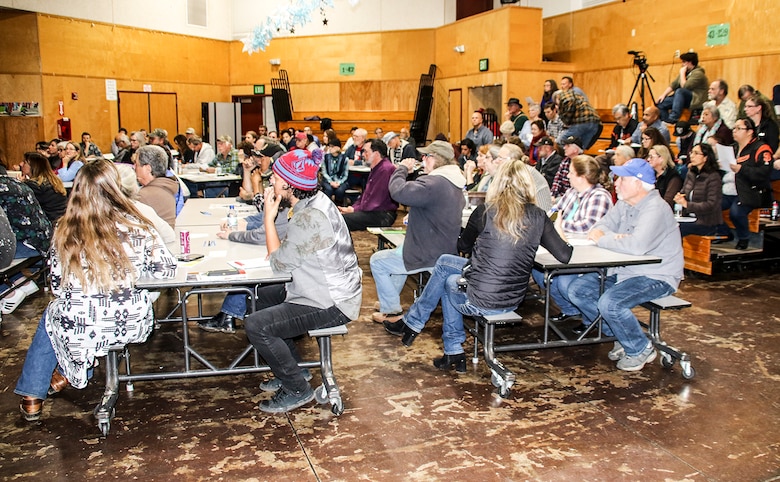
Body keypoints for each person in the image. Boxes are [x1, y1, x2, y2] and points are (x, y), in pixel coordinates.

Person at [14, 160, 177, 421]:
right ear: (115, 187)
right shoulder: (138, 225)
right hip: (129, 319)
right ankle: (65, 375)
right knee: (69, 313)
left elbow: (57, 285)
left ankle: (33, 395)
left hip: (81, 323)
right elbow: (165, 272)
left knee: (54, 313)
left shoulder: (64, 230)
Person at [383, 158, 573, 371]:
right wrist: (560, 228)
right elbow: (564, 255)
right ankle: (424, 330)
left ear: (498, 183)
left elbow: (463, 244)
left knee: (450, 281)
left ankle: (445, 344)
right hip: (513, 299)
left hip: (480, 300)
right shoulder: (539, 216)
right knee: (445, 262)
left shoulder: (485, 211)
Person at [241, 148, 361, 413]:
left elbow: (278, 264)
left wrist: (268, 219)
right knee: (260, 298)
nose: (270, 180)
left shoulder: (308, 216)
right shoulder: (313, 201)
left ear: (288, 184)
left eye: (274, 177)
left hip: (331, 302)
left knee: (257, 325)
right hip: (324, 288)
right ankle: (293, 369)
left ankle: (297, 389)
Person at [564, 158, 684, 372]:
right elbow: (598, 227)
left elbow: (635, 246)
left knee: (610, 303)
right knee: (578, 291)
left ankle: (639, 348)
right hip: (624, 270)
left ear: (638, 183)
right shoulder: (624, 203)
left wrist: (605, 238)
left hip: (656, 275)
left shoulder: (655, 208)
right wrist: (615, 237)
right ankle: (625, 335)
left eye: (621, 179)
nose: (615, 183)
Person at [370, 140, 466, 324]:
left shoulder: (433, 182)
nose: (423, 159)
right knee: (398, 258)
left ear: (436, 159)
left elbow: (398, 192)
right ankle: (388, 302)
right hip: (443, 248)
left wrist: (401, 169)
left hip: (427, 252)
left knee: (378, 262)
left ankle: (391, 313)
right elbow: (434, 207)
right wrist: (415, 215)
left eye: (426, 156)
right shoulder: (454, 182)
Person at [531, 155, 613, 323]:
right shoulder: (571, 193)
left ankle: (590, 320)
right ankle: (570, 310)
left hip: (588, 254)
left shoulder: (599, 196)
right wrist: (552, 222)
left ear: (582, 177)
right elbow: (554, 213)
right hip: (568, 244)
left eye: (571, 173)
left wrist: (559, 224)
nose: (567, 176)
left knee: (564, 282)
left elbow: (588, 226)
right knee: (538, 272)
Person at [726, 117, 773, 250]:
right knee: (711, 205)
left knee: (736, 212)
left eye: (739, 128)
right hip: (730, 189)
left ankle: (744, 238)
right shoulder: (732, 148)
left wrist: (742, 169)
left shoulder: (761, 148)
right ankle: (724, 232)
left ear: (750, 131)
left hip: (753, 191)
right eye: (734, 128)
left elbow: (764, 172)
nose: (734, 131)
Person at [338, 139, 398, 231]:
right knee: (340, 219)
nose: (362, 154)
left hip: (383, 214)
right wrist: (352, 208)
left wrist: (354, 210)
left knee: (342, 221)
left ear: (376, 154)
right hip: (376, 211)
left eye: (366, 151)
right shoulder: (377, 168)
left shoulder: (385, 170)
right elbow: (366, 195)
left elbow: (374, 201)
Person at [673, 143, 723, 237]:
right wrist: (679, 197)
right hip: (688, 217)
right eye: (692, 152)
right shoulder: (691, 173)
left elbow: (711, 205)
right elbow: (684, 192)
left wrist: (687, 204)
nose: (692, 156)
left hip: (706, 221)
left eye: (696, 153)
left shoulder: (713, 177)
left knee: (675, 228)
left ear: (705, 157)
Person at [656, 51, 708, 124]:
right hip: (681, 99)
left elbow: (685, 87)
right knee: (661, 103)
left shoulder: (698, 74)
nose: (682, 64)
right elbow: (673, 85)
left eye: (684, 62)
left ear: (690, 62)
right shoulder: (686, 72)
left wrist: (682, 73)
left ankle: (673, 118)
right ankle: (666, 121)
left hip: (695, 99)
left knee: (680, 91)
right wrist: (663, 95)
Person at [134, 145, 179, 228]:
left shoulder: (143, 196)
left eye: (136, 164)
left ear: (147, 169)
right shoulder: (167, 187)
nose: (134, 168)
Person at [20, 152, 67, 223]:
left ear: (33, 167)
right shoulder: (54, 181)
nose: (21, 164)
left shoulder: (34, 185)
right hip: (62, 221)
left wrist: (19, 185)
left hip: (48, 223)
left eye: (25, 162)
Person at [646, 144, 682, 208]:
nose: (648, 159)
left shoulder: (673, 177)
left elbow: (668, 201)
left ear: (661, 158)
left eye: (651, 157)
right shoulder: (650, 174)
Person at [320, 137, 349, 205]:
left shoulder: (345, 159)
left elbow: (345, 174)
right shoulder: (325, 157)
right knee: (328, 189)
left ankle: (339, 207)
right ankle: (326, 207)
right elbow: (324, 172)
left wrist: (339, 182)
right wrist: (331, 182)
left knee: (340, 190)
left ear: (338, 148)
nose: (330, 148)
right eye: (329, 146)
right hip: (328, 180)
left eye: (332, 147)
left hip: (340, 180)